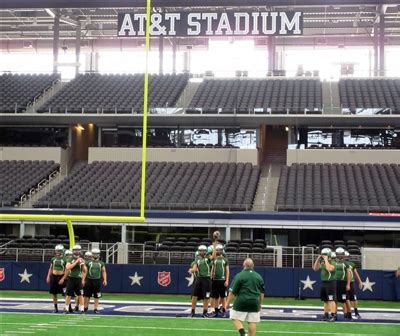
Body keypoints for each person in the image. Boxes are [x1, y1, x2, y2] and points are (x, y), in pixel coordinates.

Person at [224, 258, 264, 336]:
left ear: (243, 265)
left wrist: (227, 303)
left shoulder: (239, 276)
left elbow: (232, 292)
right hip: (254, 301)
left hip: (242, 301)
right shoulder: (258, 276)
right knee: (252, 321)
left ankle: (242, 333)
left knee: (234, 316)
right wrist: (260, 303)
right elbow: (262, 292)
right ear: (253, 266)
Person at [188, 244, 216, 317]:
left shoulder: (208, 258)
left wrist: (215, 247)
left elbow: (213, 257)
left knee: (206, 297)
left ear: (206, 251)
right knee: (194, 295)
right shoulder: (197, 259)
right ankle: (192, 312)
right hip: (199, 278)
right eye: (201, 251)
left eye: (203, 251)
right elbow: (195, 268)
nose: (202, 252)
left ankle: (205, 312)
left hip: (207, 279)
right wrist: (191, 270)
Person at [313, 248, 337, 322]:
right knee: (325, 300)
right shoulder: (323, 262)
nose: (324, 257)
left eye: (325, 255)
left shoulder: (334, 263)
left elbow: (329, 269)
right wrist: (318, 259)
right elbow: (315, 268)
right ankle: (326, 315)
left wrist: (326, 260)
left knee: (331, 300)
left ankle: (333, 315)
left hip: (330, 283)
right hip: (324, 282)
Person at [64, 244, 87, 314]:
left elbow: (85, 270)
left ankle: (82, 309)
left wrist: (82, 264)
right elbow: (68, 267)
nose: (77, 251)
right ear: (73, 251)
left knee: (80, 295)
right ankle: (67, 308)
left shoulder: (82, 259)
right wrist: (76, 262)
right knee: (68, 295)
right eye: (75, 250)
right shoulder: (70, 259)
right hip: (71, 278)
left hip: (78, 279)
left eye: (78, 250)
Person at [84, 248, 107, 314]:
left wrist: (105, 279)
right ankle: (85, 307)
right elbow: (85, 272)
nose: (96, 255)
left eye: (97, 254)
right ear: (92, 254)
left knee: (97, 296)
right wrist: (83, 279)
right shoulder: (88, 262)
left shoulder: (101, 263)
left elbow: (104, 271)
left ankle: (95, 308)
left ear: (99, 254)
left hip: (97, 280)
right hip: (89, 280)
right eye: (94, 254)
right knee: (87, 295)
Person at [46, 244, 68, 313]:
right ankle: (56, 308)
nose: (57, 252)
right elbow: (51, 268)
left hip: (61, 277)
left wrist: (63, 278)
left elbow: (67, 270)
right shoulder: (53, 259)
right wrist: (48, 276)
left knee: (65, 294)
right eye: (57, 251)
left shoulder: (65, 259)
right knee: (54, 293)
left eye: (59, 251)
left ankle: (66, 308)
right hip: (54, 277)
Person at [210, 244, 229, 317]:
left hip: (222, 279)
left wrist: (227, 280)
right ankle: (216, 311)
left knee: (223, 296)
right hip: (215, 280)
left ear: (222, 250)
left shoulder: (225, 259)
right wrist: (211, 276)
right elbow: (212, 268)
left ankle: (224, 311)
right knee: (215, 297)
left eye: (219, 250)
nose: (218, 251)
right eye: (217, 250)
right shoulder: (214, 259)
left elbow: (227, 270)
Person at [344, 250, 363, 319]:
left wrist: (360, 281)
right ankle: (347, 312)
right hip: (343, 282)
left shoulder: (351, 264)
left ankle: (356, 312)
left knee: (353, 298)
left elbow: (355, 273)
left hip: (350, 282)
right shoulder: (341, 263)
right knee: (346, 298)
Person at [334, 248, 352, 320]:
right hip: (335, 282)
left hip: (342, 283)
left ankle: (349, 314)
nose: (339, 256)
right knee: (335, 299)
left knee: (345, 299)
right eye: (338, 254)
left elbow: (348, 274)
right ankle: (334, 314)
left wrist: (348, 284)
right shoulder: (334, 262)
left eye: (340, 254)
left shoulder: (345, 263)